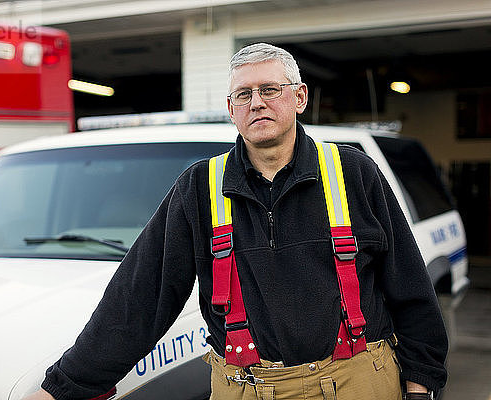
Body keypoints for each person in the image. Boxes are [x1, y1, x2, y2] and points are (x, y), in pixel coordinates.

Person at [25, 43, 447, 400]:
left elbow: (409, 286)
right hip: (244, 386)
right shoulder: (198, 187)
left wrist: (421, 382)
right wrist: (67, 386)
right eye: (243, 94)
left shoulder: (353, 172)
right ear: (231, 109)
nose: (257, 102)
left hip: (357, 382)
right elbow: (140, 296)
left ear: (299, 97)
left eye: (269, 89)